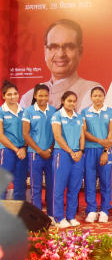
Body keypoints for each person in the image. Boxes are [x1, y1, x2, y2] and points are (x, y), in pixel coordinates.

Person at [20, 19, 101, 112]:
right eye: (54, 47)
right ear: (45, 52)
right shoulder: (28, 98)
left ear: (80, 52)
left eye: (68, 46)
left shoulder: (92, 92)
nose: (60, 54)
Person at [81, 87, 112, 223]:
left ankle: (104, 210)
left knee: (105, 182)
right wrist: (99, 141)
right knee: (89, 181)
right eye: (94, 96)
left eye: (100, 96)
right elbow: (84, 132)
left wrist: (105, 151)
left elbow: (111, 132)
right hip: (89, 151)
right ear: (91, 97)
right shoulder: (85, 112)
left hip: (105, 152)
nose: (97, 98)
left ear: (104, 96)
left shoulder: (111, 112)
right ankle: (91, 210)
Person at [22, 84, 55, 223]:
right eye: (40, 95)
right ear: (35, 96)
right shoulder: (28, 112)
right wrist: (40, 151)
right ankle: (36, 217)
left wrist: (49, 150)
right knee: (36, 187)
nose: (43, 98)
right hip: (34, 154)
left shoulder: (53, 111)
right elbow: (25, 134)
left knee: (52, 186)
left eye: (45, 95)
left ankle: (52, 215)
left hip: (51, 154)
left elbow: (56, 134)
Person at [51, 91, 84, 228]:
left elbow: (82, 136)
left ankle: (70, 216)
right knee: (59, 188)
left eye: (74, 101)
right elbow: (58, 137)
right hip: (62, 155)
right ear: (63, 101)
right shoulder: (57, 116)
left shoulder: (79, 117)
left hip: (78, 156)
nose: (72, 103)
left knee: (74, 188)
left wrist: (81, 151)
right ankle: (59, 217)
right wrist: (71, 151)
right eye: (69, 101)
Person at [0, 81, 27, 201]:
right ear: (3, 96)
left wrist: (24, 148)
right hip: (7, 152)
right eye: (9, 94)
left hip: (22, 152)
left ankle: (19, 215)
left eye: (15, 93)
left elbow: (28, 133)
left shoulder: (25, 111)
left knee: (20, 185)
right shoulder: (1, 111)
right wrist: (16, 149)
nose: (13, 96)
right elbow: (1, 136)